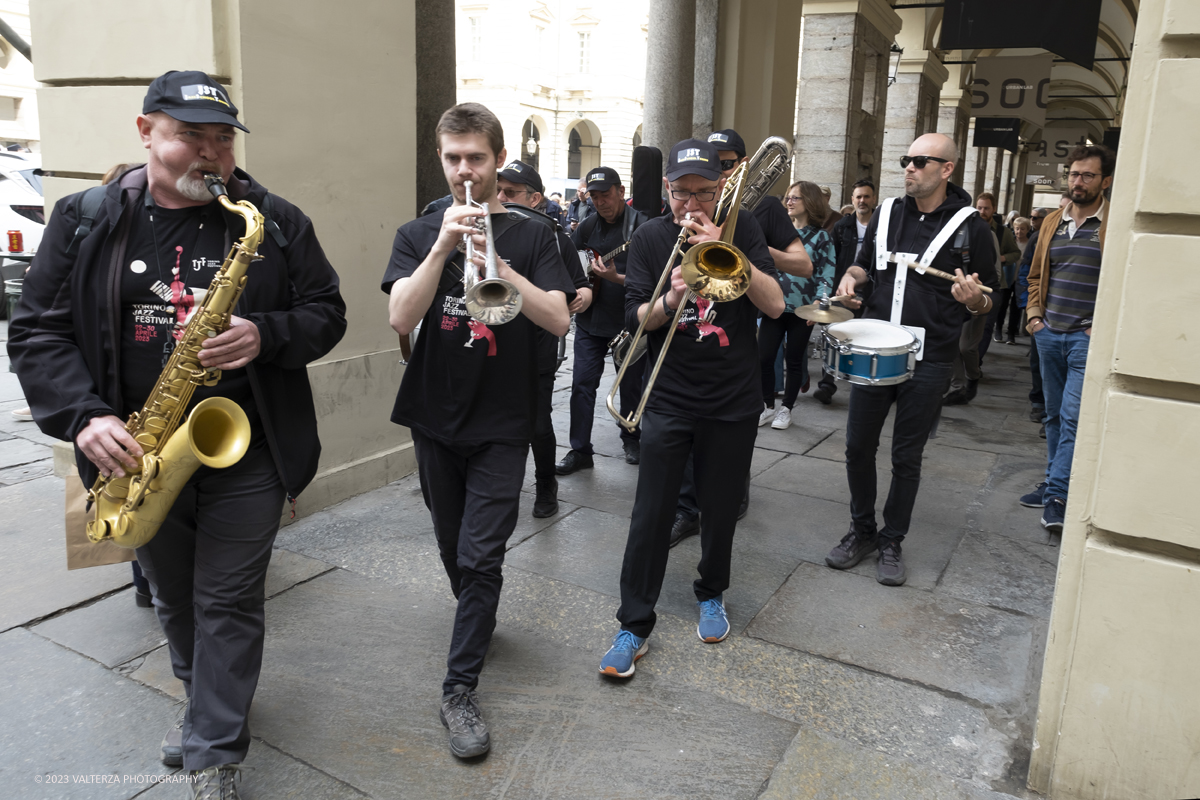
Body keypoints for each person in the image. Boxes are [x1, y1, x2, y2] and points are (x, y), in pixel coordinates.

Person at [8, 70, 347, 798]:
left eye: (222, 138)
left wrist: (267, 332)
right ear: (146, 132)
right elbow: (37, 330)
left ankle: (214, 752)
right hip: (136, 447)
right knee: (172, 595)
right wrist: (85, 415)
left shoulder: (271, 219)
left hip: (243, 443)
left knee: (226, 597)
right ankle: (205, 705)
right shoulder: (83, 217)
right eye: (191, 134)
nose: (210, 152)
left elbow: (327, 311)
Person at [384, 102, 571, 759]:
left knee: (480, 554)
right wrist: (444, 245)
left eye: (477, 158)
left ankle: (458, 690)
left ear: (497, 160)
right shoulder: (417, 232)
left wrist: (497, 260)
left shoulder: (534, 232)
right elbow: (399, 318)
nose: (465, 170)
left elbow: (557, 319)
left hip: (503, 420)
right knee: (451, 546)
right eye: (453, 158)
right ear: (442, 160)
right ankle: (477, 614)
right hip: (434, 416)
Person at [598, 138, 783, 678]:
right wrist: (673, 297)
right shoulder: (651, 237)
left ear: (723, 187)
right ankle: (633, 624)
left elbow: (774, 304)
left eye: (704, 191)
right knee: (651, 512)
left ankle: (711, 591)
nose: (692, 204)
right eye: (682, 193)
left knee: (720, 506)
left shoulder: (744, 227)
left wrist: (733, 250)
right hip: (670, 396)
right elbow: (637, 318)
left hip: (732, 396)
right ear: (667, 191)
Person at [823, 133, 996, 586]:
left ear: (947, 169)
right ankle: (861, 531)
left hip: (933, 356)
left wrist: (975, 301)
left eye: (921, 161)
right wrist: (851, 278)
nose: (910, 168)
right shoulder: (886, 213)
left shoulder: (970, 225)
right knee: (857, 446)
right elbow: (865, 265)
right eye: (907, 160)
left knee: (907, 455)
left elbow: (989, 298)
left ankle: (892, 539)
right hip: (877, 348)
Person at [656, 129, 809, 544]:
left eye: (726, 164)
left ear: (738, 169)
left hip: (733, 344)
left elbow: (801, 266)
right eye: (714, 163)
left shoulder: (766, 210)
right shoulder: (672, 217)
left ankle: (730, 499)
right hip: (681, 361)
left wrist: (734, 246)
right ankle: (688, 509)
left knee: (728, 447)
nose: (720, 171)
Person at [1021, 145, 1113, 533]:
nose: (1078, 181)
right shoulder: (1052, 222)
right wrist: (1034, 317)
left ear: (1105, 181)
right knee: (1054, 414)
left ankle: (1059, 493)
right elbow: (1036, 276)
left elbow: (1121, 281)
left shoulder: (1113, 223)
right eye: (1074, 174)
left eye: (1087, 175)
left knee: (1074, 417)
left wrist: (1099, 326)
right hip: (1049, 334)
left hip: (1084, 338)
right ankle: (1053, 479)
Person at [496, 160, 590, 517]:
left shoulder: (551, 234)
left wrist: (584, 296)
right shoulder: (485, 228)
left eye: (512, 192)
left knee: (537, 421)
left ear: (535, 198)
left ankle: (545, 485)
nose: (503, 198)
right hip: (493, 342)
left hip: (536, 344)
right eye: (499, 191)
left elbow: (580, 285)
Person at [556, 166, 649, 475]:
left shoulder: (642, 227)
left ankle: (631, 437)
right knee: (581, 385)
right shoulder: (586, 227)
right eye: (594, 197)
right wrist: (580, 286)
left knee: (631, 387)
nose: (600, 202)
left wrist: (616, 278)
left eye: (606, 195)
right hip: (591, 321)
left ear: (621, 192)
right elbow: (571, 265)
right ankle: (580, 449)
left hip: (628, 321)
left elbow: (652, 282)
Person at [758, 181, 836, 429]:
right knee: (764, 357)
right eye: (788, 197)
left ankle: (786, 409)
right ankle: (767, 406)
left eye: (795, 198)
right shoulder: (778, 233)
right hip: (774, 304)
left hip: (803, 309)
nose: (788, 201)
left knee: (793, 361)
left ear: (810, 203)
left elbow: (826, 273)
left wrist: (820, 305)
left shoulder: (822, 237)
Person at [944, 191, 1019, 405]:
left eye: (986, 208)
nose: (982, 211)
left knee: (967, 346)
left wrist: (981, 294)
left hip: (980, 296)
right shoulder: (959, 230)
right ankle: (957, 387)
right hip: (955, 297)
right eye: (979, 207)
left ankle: (973, 376)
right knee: (954, 344)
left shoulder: (990, 233)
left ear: (993, 209)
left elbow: (993, 273)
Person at [815, 179, 877, 405]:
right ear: (852, 200)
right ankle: (826, 385)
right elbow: (832, 260)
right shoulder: (843, 226)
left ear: (874, 199)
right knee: (835, 337)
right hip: (843, 291)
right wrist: (827, 290)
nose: (862, 200)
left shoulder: (881, 227)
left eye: (866, 196)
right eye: (858, 196)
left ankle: (863, 387)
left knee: (865, 340)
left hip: (871, 292)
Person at [996, 216, 1031, 345]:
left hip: (1021, 281)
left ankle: (1011, 334)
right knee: (1002, 305)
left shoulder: (1029, 244)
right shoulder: (1010, 242)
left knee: (1017, 308)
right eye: (1017, 229)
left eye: (1022, 229)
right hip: (1007, 278)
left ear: (1027, 229)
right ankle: (998, 330)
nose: (1019, 232)